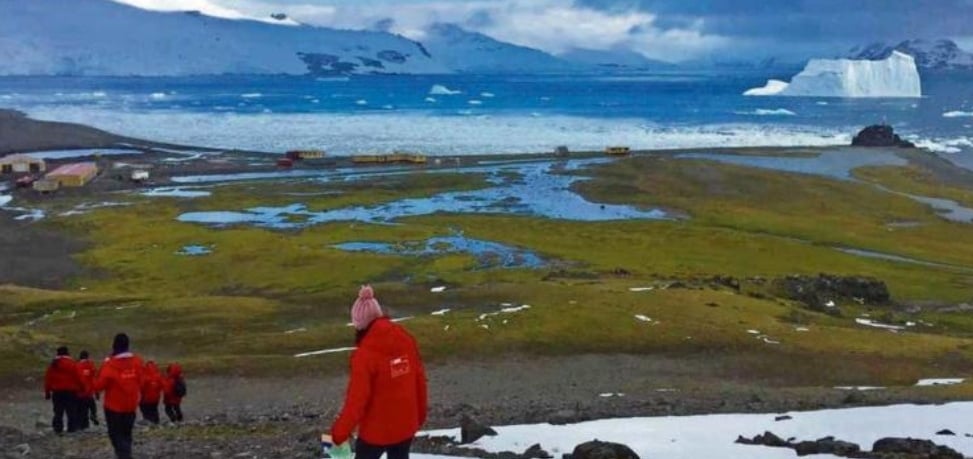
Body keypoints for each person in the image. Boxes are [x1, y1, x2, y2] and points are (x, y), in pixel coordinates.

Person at [330, 285, 428, 459]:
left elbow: (357, 400)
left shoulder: (364, 355)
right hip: (406, 425)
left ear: (359, 324)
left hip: (375, 433)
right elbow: (419, 380)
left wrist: (339, 433)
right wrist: (419, 416)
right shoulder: (406, 340)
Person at [93, 333, 143, 459]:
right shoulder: (137, 362)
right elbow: (141, 381)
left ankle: (124, 455)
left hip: (114, 407)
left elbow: (99, 385)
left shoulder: (110, 365)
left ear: (114, 346)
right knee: (127, 432)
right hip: (131, 405)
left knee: (115, 434)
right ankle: (126, 453)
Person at [44, 346, 82, 434]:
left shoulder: (54, 364)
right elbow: (78, 377)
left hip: (57, 391)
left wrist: (47, 392)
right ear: (67, 353)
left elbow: (48, 378)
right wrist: (81, 388)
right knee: (71, 410)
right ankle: (72, 428)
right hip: (71, 391)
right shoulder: (72, 363)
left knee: (58, 411)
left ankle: (58, 428)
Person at [75, 350, 100, 429]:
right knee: (92, 406)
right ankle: (93, 415)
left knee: (81, 410)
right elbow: (94, 379)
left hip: (79, 392)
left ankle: (82, 425)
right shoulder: (91, 365)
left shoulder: (76, 365)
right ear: (87, 356)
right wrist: (97, 391)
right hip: (89, 392)